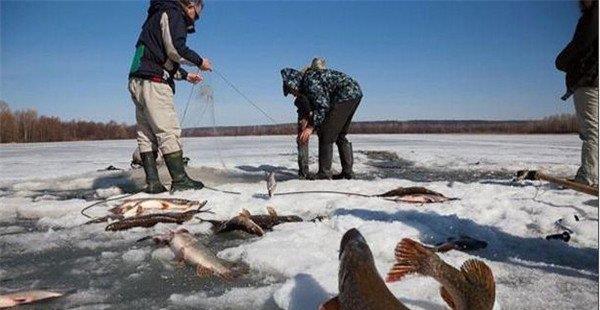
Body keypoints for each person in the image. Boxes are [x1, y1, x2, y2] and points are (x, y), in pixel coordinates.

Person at [128, 0, 212, 193]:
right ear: (190, 5)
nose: (195, 19)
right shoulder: (174, 13)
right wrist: (200, 62)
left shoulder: (156, 14)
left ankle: (153, 183)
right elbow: (175, 49)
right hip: (154, 83)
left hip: (137, 80)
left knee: (146, 133)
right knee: (168, 131)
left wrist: (184, 75)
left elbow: (159, 56)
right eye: (196, 15)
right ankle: (180, 180)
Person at [281, 64, 362, 180]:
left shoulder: (310, 82)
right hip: (354, 93)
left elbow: (322, 107)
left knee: (326, 133)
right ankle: (348, 172)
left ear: (294, 84)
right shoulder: (309, 81)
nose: (293, 94)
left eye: (292, 91)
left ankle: (324, 173)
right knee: (340, 134)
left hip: (345, 95)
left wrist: (310, 128)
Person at [556, 0, 598, 187]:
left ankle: (588, 176)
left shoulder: (593, 17)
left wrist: (561, 61)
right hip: (592, 81)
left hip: (588, 82)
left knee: (591, 131)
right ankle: (592, 173)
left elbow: (580, 44)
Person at [294, 57, 327, 179]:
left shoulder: (321, 77)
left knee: (324, 138)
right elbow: (301, 97)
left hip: (317, 111)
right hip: (306, 112)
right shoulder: (306, 76)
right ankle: (304, 172)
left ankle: (323, 171)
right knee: (303, 138)